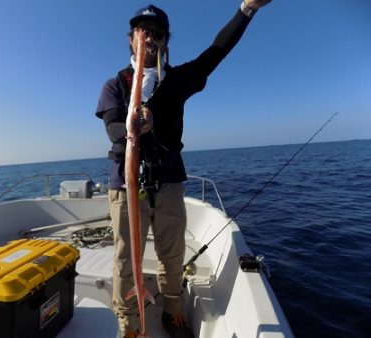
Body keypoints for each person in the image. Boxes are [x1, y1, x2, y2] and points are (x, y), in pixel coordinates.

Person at [95, 1, 272, 337]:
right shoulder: (115, 84)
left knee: (172, 254)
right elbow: (113, 127)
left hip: (170, 182)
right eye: (142, 31)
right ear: (131, 38)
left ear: (165, 40)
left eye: (156, 33)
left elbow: (216, 51)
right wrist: (133, 126)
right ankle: (130, 324)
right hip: (126, 185)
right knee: (124, 260)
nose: (149, 38)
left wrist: (247, 9)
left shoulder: (178, 80)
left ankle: (173, 308)